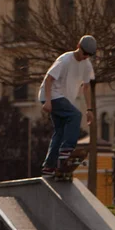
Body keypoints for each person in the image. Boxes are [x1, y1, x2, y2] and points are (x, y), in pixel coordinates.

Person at [39, 35, 97, 176]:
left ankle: (49, 167)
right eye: (84, 53)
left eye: (88, 55)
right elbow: (48, 79)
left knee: (59, 131)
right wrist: (47, 101)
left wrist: (89, 109)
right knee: (75, 115)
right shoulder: (65, 59)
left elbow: (86, 87)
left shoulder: (86, 64)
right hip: (52, 95)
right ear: (78, 46)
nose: (85, 57)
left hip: (62, 99)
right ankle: (66, 150)